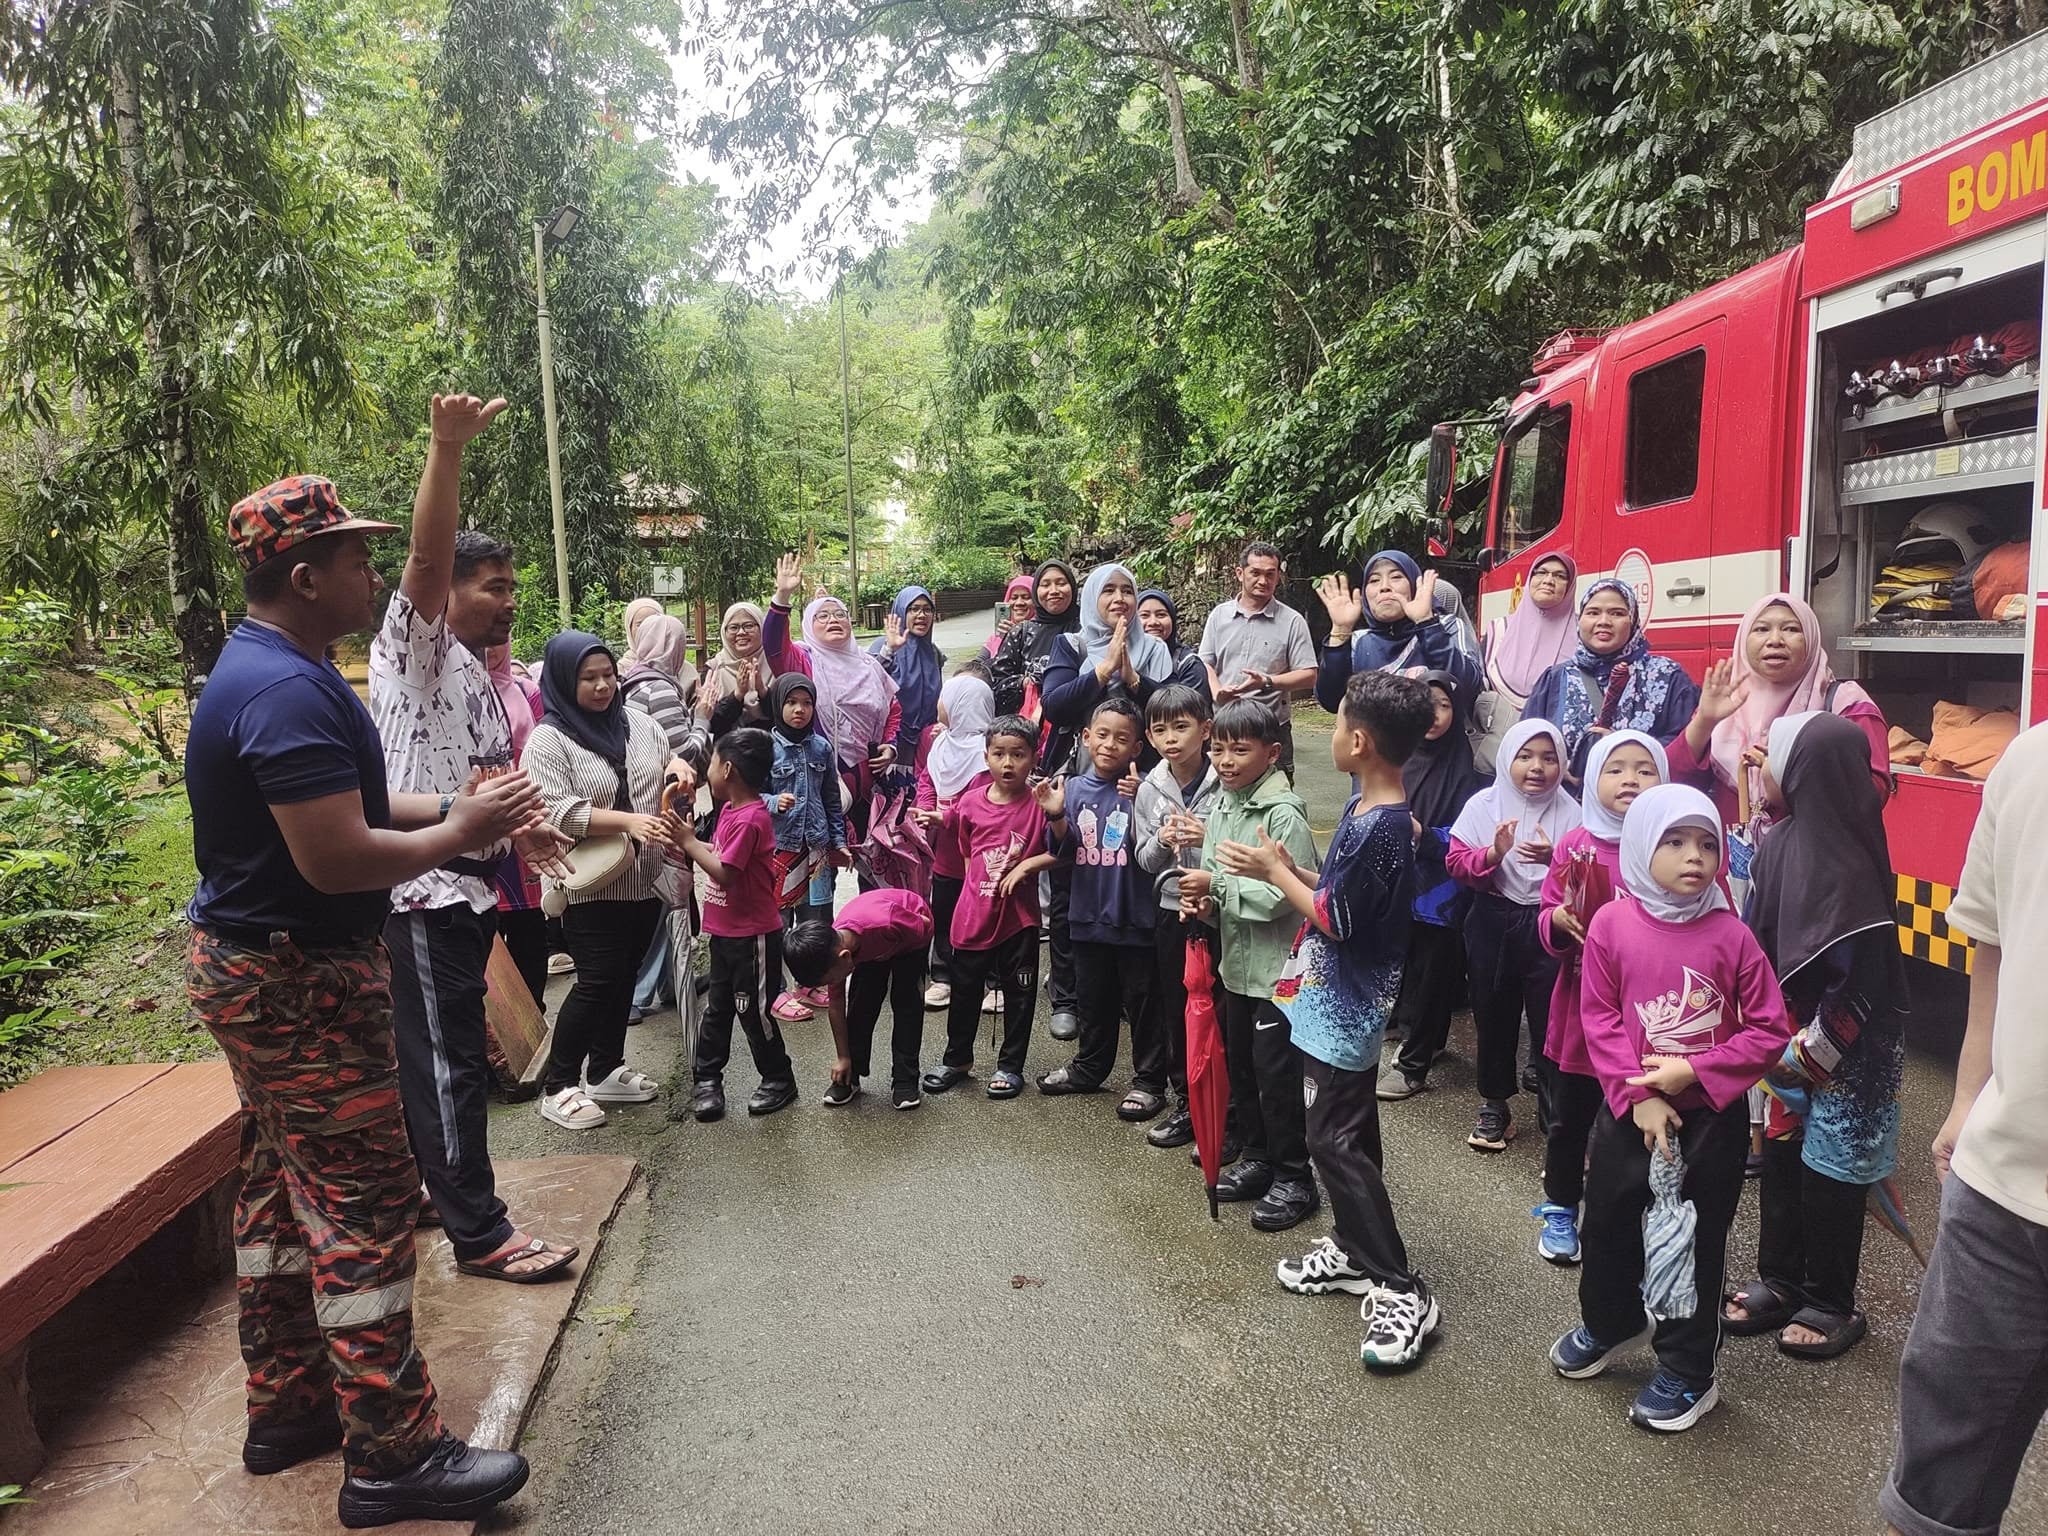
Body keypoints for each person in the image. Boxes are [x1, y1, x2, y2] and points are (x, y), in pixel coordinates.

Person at [186, 471, 537, 1523]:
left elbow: (359, 797)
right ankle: (391, 1453)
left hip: (257, 968)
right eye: (353, 559)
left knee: (276, 1195)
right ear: (302, 576)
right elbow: (341, 857)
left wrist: (461, 804)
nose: (371, 573)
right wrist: (458, 836)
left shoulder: (271, 672)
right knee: (362, 1205)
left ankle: (289, 1405)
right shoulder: (286, 691)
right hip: (298, 982)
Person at [368, 393, 576, 1284]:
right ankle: (482, 1234)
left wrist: (525, 832)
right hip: (422, 891)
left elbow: (489, 777)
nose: (507, 602)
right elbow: (422, 552)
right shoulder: (415, 649)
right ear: (444, 594)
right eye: (493, 586)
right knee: (452, 1066)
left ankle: (433, 1189)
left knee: (435, 1060)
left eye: (512, 588)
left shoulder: (481, 675)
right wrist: (445, 448)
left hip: (470, 889)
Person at [1550, 784, 1791, 1433]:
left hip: (1708, 1119)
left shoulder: (1731, 936)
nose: (1695, 856)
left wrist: (1695, 1070)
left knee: (1687, 1239)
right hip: (1629, 1109)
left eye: (1708, 843)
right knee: (1605, 1220)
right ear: (1639, 847)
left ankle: (1689, 1372)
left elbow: (1769, 1030)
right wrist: (1639, 1095)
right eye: (1676, 841)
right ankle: (1611, 1320)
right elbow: (1598, 1015)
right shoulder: (1611, 924)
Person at [1218, 671, 1441, 1368]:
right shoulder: (1369, 809)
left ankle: (1402, 1290)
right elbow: (1342, 896)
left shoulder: (1380, 825)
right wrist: (1292, 870)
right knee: (1347, 1134)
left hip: (1346, 1011)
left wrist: (1272, 872)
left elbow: (1337, 922)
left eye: (1338, 722)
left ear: (1359, 739)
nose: (1333, 733)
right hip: (1329, 1004)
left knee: (1332, 1143)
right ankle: (1352, 1249)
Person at [1880, 722, 2048, 1536]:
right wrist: (1968, 1096)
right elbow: (1994, 941)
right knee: (1938, 1479)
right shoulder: (2031, 756)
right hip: (2001, 1189)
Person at [1722, 712, 1908, 1359]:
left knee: (1833, 1173)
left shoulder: (1854, 863)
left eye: (1774, 756)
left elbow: (1861, 988)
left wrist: (1807, 1057)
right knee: (1780, 1160)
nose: (1761, 766)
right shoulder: (1779, 843)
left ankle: (1830, 1299)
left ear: (1806, 769)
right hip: (1787, 1046)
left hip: (1846, 1059)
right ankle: (1780, 1278)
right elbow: (1755, 945)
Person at [522, 633, 675, 1131]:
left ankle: (605, 1069)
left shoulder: (638, 722)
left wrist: (679, 771)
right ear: (566, 681)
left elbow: (665, 758)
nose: (603, 686)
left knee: (624, 978)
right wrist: (624, 822)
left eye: (608, 674)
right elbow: (553, 810)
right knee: (596, 982)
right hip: (590, 884)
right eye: (589, 678)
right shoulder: (549, 738)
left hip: (642, 879)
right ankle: (559, 1084)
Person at [1182, 698, 1321, 1232]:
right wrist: (1205, 903)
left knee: (1276, 1075)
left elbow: (1279, 897)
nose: (1226, 760)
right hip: (1234, 967)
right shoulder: (1222, 803)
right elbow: (1217, 873)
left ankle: (1295, 1176)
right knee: (1242, 1066)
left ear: (1273, 752)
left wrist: (1214, 888)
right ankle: (1260, 1158)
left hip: (1277, 976)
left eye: (1241, 750)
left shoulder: (1283, 814)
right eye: (1218, 749)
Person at [1531, 730, 1668, 1263]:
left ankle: (1632, 1212)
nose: (1630, 779)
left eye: (1644, 768)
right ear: (1591, 780)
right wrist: (1559, 922)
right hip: (1582, 1006)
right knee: (1570, 1116)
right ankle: (1561, 1205)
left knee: (1637, 1117)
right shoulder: (1575, 844)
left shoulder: (1671, 842)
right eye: (1615, 769)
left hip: (1650, 1013)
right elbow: (1547, 912)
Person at [1446, 719, 1582, 1153]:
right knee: (1493, 1013)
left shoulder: (1574, 813)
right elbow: (1456, 862)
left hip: (1549, 925)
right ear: (1507, 759)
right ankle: (1494, 1104)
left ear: (1562, 763)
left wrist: (1554, 860)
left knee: (1551, 1022)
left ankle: (1554, 1110)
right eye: (1525, 756)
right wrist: (1494, 852)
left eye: (1548, 757)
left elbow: (1587, 877)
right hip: (1493, 919)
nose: (1537, 767)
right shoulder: (1483, 805)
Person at [1036, 697, 1166, 1118]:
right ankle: (1089, 1068)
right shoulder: (1070, 789)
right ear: (1087, 737)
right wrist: (1056, 816)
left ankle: (1149, 1081)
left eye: (1122, 738)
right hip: (1087, 918)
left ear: (1137, 747)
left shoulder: (1147, 787)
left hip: (1137, 920)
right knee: (1094, 1001)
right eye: (1103, 735)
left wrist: (1144, 795)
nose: (1110, 745)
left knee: (1144, 1005)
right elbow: (1063, 851)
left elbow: (1159, 846)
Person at [923, 716, 1062, 1100]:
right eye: (999, 754)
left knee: (1019, 996)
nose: (1007, 763)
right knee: (964, 990)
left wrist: (1027, 865)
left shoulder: (1040, 804)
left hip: (1019, 919)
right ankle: (957, 1059)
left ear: (1034, 758)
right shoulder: (969, 803)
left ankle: (1010, 1066)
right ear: (985, 756)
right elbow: (968, 853)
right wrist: (977, 893)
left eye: (1018, 755)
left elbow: (1062, 851)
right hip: (973, 915)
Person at [673, 727, 801, 1122]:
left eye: (711, 761)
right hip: (725, 933)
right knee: (718, 1008)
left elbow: (726, 872)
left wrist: (690, 844)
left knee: (753, 1011)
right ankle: (707, 1079)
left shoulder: (751, 819)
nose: (708, 769)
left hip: (753, 937)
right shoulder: (730, 811)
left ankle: (779, 1078)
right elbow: (722, 854)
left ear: (727, 769)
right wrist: (694, 841)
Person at [1671, 591, 1890, 805]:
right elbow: (1673, 781)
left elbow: (1874, 793)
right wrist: (1704, 722)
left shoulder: (1845, 704)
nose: (1775, 640)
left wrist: (1787, 776)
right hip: (1732, 842)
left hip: (1810, 842)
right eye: (1761, 629)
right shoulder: (1726, 704)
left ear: (1812, 640)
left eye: (1791, 629)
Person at [1379, 670, 1483, 1102]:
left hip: (1447, 889)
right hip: (1404, 883)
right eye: (1425, 704)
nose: (1434, 715)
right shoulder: (1402, 756)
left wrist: (1427, 835)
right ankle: (1424, 1039)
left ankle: (1413, 1064)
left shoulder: (1472, 765)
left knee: (1434, 975)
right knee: (1410, 968)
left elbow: (1474, 831)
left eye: (1443, 705)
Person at [1132, 683, 1219, 1149]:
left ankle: (1227, 1110)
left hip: (1219, 911)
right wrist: (1163, 841)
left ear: (1205, 730)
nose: (1171, 739)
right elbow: (1143, 861)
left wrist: (1205, 835)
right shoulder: (1150, 788)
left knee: (1220, 1011)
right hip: (1171, 914)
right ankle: (1186, 1103)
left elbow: (1235, 847)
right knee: (1177, 1010)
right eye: (1160, 730)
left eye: (1182, 727)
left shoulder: (1224, 777)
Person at [1518, 579, 1700, 787]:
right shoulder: (1556, 679)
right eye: (1593, 612)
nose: (1604, 621)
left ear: (1633, 620)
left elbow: (1685, 746)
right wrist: (1558, 770)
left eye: (1617, 613)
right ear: (1580, 620)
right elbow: (1525, 743)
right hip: (1569, 807)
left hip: (1640, 804)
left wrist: (1626, 747)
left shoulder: (1668, 677)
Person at [764, 553, 900, 809]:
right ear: (808, 624)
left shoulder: (869, 665)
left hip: (869, 776)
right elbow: (773, 646)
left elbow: (893, 709)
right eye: (822, 616)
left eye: (840, 614)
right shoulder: (804, 660)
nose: (833, 620)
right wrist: (782, 597)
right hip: (819, 774)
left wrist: (890, 747)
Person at [785, 888, 936, 1110]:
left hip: (909, 936)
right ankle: (850, 1075)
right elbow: (836, 1006)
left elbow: (923, 924)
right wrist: (842, 1057)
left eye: (830, 979)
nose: (831, 984)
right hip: (870, 944)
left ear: (845, 958)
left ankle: (905, 1078)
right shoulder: (830, 951)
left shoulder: (885, 922)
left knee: (907, 1005)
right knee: (861, 1005)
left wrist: (895, 954)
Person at [621, 612, 699, 1022]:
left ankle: (672, 980)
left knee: (662, 894)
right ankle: (640, 991)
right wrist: (703, 717)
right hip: (666, 808)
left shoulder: (629, 684)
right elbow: (686, 751)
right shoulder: (660, 689)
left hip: (639, 803)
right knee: (669, 894)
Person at [766, 674, 849, 1025]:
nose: (799, 710)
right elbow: (747, 795)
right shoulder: (765, 746)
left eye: (806, 703)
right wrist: (772, 801)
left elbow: (832, 798)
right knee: (779, 923)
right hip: (780, 850)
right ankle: (776, 990)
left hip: (817, 848)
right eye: (791, 702)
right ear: (778, 705)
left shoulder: (821, 748)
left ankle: (810, 981)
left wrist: (839, 842)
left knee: (817, 920)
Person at [1040, 562, 1175, 773]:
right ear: (1093, 597)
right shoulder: (1071, 645)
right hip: (1079, 772)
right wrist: (1104, 670)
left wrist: (1133, 680)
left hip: (1142, 775)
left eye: (1127, 591)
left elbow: (1175, 710)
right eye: (1108, 590)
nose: (1119, 598)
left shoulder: (1155, 648)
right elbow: (1054, 708)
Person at [1312, 550, 1483, 716]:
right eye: (1374, 580)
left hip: (1440, 745)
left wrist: (1427, 624)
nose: (1384, 587)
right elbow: (1331, 701)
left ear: (1414, 585)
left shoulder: (1447, 627)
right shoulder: (1357, 642)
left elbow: (1469, 688)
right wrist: (1340, 630)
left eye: (1396, 577)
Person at [1196, 542, 1317, 773]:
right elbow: (1206, 662)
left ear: (1278, 576)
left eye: (1271, 574)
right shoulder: (1219, 616)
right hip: (1223, 724)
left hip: (1271, 728)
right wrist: (1217, 691)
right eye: (1256, 573)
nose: (1263, 581)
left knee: (1276, 792)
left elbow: (1309, 675)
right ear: (1240, 573)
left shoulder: (1292, 621)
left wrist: (1268, 681)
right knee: (1219, 792)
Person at [915, 673, 995, 1012]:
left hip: (980, 855)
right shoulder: (942, 744)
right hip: (946, 854)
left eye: (946, 698)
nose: (939, 705)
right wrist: (925, 804)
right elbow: (927, 779)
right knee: (944, 912)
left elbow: (987, 803)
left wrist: (946, 817)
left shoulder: (988, 754)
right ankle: (944, 975)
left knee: (986, 914)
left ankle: (994, 980)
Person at [485, 643, 549, 1010]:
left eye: (500, 639)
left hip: (525, 821)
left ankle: (534, 1013)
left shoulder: (527, 693)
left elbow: (541, 753)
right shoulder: (453, 692)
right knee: (485, 934)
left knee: (528, 928)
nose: (492, 648)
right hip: (479, 825)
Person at [1480, 552, 1578, 714]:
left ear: (1570, 586)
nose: (1548, 581)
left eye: (1560, 576)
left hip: (1556, 731)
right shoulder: (1497, 630)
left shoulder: (1583, 635)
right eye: (1540, 573)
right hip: (1499, 729)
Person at [988, 558, 1082, 719]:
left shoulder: (1086, 628)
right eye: (1045, 585)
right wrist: (1025, 683)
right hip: (1029, 727)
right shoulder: (1021, 632)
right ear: (1036, 592)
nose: (1053, 590)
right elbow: (997, 683)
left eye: (1061, 583)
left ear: (1072, 588)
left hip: (1075, 724)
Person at [872, 584, 945, 763]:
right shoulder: (883, 646)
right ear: (901, 612)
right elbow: (867, 683)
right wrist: (889, 650)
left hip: (926, 743)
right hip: (890, 743)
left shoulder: (934, 653)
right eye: (914, 609)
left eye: (927, 610)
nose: (922, 615)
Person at [701, 601, 775, 728]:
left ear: (762, 628)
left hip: (771, 745)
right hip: (725, 745)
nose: (741, 632)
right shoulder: (714, 668)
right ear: (724, 632)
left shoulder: (776, 664)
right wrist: (738, 694)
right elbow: (708, 720)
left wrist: (762, 691)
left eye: (749, 626)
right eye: (733, 627)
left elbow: (786, 713)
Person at [1135, 588, 1214, 700]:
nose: (1153, 622)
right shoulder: (1124, 660)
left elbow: (1192, 711)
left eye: (1161, 615)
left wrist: (1135, 681)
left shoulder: (1188, 663)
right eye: (1144, 615)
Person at [986, 574, 1036, 656]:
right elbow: (978, 662)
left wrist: (1016, 636)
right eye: (1014, 598)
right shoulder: (998, 636)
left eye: (1026, 597)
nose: (1019, 603)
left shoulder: (1043, 635)